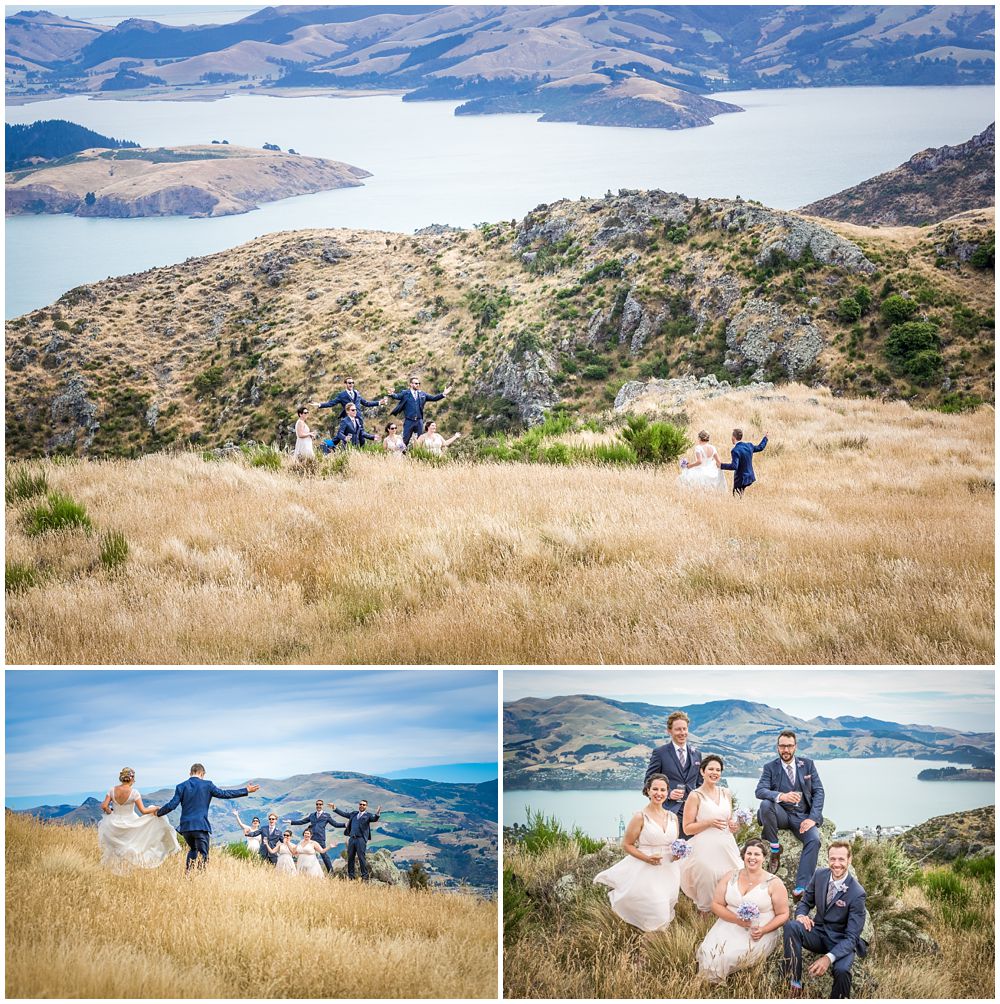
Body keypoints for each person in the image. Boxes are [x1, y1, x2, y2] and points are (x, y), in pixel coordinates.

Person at [593, 773, 682, 931]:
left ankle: (653, 950)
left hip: (669, 871)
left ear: (668, 792)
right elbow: (627, 844)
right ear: (648, 791)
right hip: (647, 871)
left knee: (666, 909)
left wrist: (677, 854)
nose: (659, 793)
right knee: (658, 913)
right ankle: (649, 948)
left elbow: (673, 844)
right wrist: (647, 858)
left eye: (663, 789)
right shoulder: (640, 817)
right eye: (655, 789)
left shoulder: (673, 817)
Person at [696, 838, 789, 983]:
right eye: (749, 853)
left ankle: (717, 985)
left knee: (728, 956)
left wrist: (763, 930)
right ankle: (707, 985)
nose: (752, 858)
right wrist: (737, 920)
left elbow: (783, 914)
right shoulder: (730, 876)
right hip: (728, 923)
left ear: (764, 857)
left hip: (758, 931)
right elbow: (716, 904)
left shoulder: (774, 882)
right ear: (743, 855)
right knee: (708, 951)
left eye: (757, 854)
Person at [783, 842, 867, 999]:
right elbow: (805, 902)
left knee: (842, 971)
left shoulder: (857, 893)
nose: (836, 864)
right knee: (792, 926)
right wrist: (801, 915)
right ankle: (794, 983)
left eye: (841, 859)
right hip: (818, 933)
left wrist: (828, 958)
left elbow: (851, 937)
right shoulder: (819, 875)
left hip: (841, 941)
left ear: (850, 860)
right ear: (828, 859)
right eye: (832, 859)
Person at [755, 731, 825, 901]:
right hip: (781, 815)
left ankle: (801, 887)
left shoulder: (808, 765)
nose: (785, 749)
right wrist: (781, 796)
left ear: (795, 747)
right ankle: (774, 847)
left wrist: (812, 818)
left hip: (803, 816)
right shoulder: (770, 767)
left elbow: (819, 792)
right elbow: (760, 791)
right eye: (782, 746)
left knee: (814, 840)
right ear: (777, 747)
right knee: (765, 804)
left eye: (789, 746)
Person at [155, 763, 259, 871]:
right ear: (202, 773)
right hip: (200, 826)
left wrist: (158, 813)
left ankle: (188, 875)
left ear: (190, 773)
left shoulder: (181, 786)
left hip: (185, 828)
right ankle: (200, 877)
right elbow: (225, 794)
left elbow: (172, 805)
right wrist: (245, 790)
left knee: (193, 849)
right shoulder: (207, 785)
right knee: (203, 854)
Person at [680, 754, 742, 912]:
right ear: (702, 771)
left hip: (727, 844)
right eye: (711, 769)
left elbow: (728, 820)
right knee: (707, 879)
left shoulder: (726, 793)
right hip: (705, 846)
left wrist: (734, 826)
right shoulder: (695, 796)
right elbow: (687, 828)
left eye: (718, 770)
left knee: (735, 877)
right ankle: (704, 923)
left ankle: (728, 917)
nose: (715, 772)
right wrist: (708, 822)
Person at [97, 767, 179, 871]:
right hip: (130, 822)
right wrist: (156, 808)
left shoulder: (112, 790)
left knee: (115, 848)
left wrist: (111, 812)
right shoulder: (134, 792)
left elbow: (104, 806)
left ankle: (113, 868)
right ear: (132, 778)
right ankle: (129, 867)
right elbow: (143, 811)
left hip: (114, 823)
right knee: (131, 845)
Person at [644, 710, 702, 837]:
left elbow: (700, 784)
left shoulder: (697, 754)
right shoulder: (660, 753)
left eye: (684, 729)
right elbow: (648, 781)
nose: (682, 733)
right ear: (669, 731)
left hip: (693, 813)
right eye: (678, 729)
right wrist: (668, 793)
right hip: (669, 811)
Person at [284, 799, 346, 874]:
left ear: (322, 806)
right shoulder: (312, 815)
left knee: (324, 855)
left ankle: (331, 872)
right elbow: (302, 821)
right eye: (317, 804)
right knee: (308, 853)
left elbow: (335, 824)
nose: (318, 806)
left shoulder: (326, 816)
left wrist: (344, 825)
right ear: (316, 805)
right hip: (311, 838)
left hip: (320, 838)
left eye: (320, 804)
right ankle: (305, 871)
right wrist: (291, 822)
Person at [388, 376, 452, 445]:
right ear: (411, 384)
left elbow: (434, 398)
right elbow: (397, 396)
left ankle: (418, 454)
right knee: (405, 440)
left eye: (418, 383)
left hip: (419, 421)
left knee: (420, 441)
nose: (417, 385)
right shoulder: (405, 393)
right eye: (416, 383)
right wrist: (392, 394)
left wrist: (443, 394)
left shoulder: (422, 394)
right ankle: (402, 454)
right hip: (409, 420)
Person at [312, 378, 385, 436]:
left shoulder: (357, 393)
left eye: (353, 383)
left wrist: (379, 402)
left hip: (358, 418)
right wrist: (320, 405)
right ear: (346, 384)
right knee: (348, 437)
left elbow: (366, 403)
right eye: (349, 383)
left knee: (361, 437)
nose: (351, 384)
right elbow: (331, 403)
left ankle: (360, 453)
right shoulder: (342, 395)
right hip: (348, 420)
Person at [333, 799, 382, 880]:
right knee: (350, 858)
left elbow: (374, 819)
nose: (362, 806)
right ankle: (351, 876)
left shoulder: (368, 815)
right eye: (361, 804)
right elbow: (344, 814)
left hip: (361, 840)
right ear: (359, 805)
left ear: (366, 806)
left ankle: (365, 877)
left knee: (361, 858)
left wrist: (377, 814)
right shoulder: (354, 814)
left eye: (364, 805)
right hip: (352, 839)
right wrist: (335, 808)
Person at [719, 427, 768, 497]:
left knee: (736, 497)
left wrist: (721, 465)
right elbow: (760, 447)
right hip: (750, 476)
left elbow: (734, 466)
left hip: (741, 479)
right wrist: (765, 438)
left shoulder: (735, 450)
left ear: (733, 437)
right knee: (740, 495)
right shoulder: (749, 446)